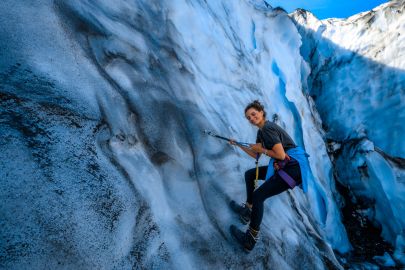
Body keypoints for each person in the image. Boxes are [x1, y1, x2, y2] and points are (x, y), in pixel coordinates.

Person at [229, 100, 303, 252]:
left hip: (291, 169)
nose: (251, 118)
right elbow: (255, 154)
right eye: (248, 117)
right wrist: (238, 144)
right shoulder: (261, 132)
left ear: (261, 112)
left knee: (258, 196)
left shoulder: (268, 128)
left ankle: (250, 239)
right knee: (250, 175)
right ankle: (248, 211)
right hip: (287, 167)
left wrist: (262, 150)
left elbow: (281, 155)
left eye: (253, 114)